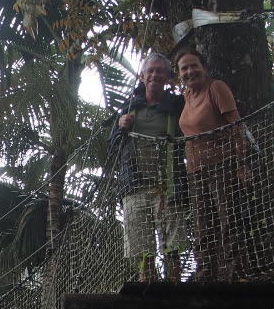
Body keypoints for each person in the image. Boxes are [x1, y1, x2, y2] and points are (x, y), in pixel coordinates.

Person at [175, 48, 253, 281]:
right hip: (196, 171)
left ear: (204, 68)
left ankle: (235, 275)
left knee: (228, 220)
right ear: (179, 74)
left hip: (223, 164)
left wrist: (241, 165)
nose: (190, 72)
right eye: (184, 68)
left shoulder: (215, 88)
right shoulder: (187, 96)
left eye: (194, 66)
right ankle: (205, 275)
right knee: (202, 227)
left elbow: (237, 128)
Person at [108, 52, 187, 281]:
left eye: (160, 71)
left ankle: (175, 287)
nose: (154, 75)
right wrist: (121, 127)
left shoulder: (176, 105)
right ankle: (147, 290)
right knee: (143, 250)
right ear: (142, 76)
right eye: (150, 71)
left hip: (168, 184)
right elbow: (112, 147)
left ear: (168, 77)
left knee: (173, 245)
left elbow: (188, 134)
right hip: (134, 186)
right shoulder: (129, 107)